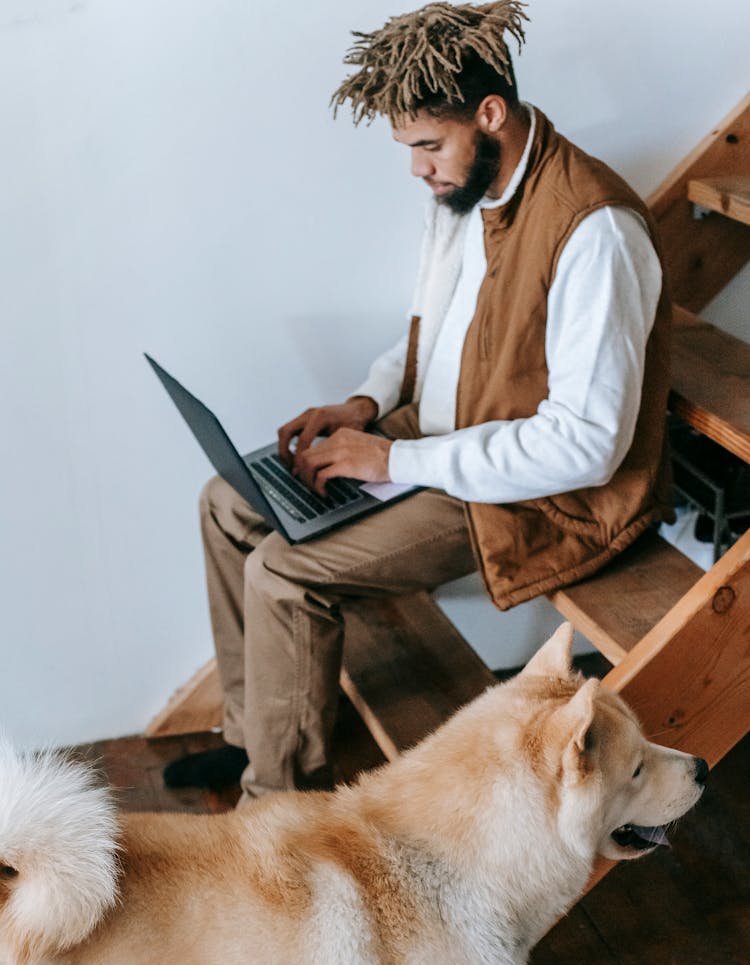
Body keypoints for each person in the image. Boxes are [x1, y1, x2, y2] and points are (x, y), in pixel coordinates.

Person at [164, 0, 672, 798]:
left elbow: (587, 446)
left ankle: (277, 812)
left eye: (429, 144)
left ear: (491, 114)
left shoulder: (594, 230)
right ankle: (253, 735)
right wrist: (368, 404)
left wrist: (397, 457)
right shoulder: (464, 190)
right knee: (225, 502)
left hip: (536, 497)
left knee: (284, 573)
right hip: (435, 439)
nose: (418, 167)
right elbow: (432, 331)